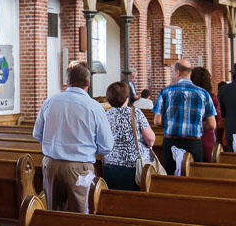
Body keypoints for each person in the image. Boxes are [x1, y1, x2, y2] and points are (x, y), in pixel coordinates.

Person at [32, 62, 114, 213]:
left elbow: (37, 133)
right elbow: (107, 146)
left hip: (52, 165)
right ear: (88, 82)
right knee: (79, 214)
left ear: (67, 81)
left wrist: (56, 145)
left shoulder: (50, 101)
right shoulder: (94, 106)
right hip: (80, 166)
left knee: (53, 212)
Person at [153, 59, 216, 166]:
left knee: (171, 178)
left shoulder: (166, 92)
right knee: (193, 177)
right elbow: (212, 124)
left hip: (171, 142)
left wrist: (172, 123)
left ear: (178, 71)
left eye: (172, 71)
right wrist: (197, 125)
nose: (172, 74)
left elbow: (157, 121)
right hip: (194, 143)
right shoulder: (203, 93)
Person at [100, 81, 156, 190]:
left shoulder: (105, 115)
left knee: (113, 198)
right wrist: (149, 145)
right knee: (134, 199)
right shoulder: (135, 113)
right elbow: (150, 138)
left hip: (110, 163)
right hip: (133, 164)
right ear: (127, 98)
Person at [190, 67, 220, 163]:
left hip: (190, 136)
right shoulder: (211, 98)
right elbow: (217, 120)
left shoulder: (187, 96)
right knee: (207, 166)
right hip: (207, 135)